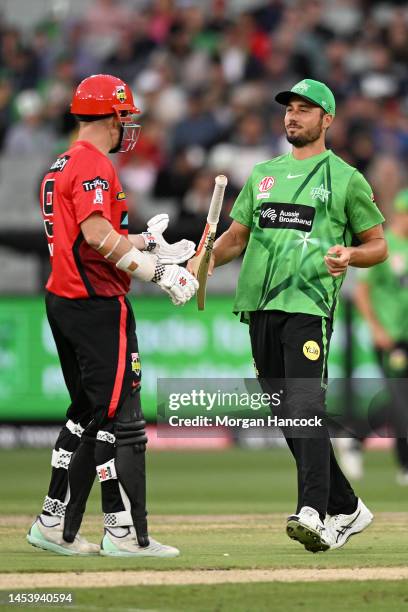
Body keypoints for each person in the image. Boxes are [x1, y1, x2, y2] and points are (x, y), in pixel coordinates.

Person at [192, 79, 387, 552]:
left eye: (305, 109)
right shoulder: (263, 174)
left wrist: (349, 256)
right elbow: (236, 238)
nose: (293, 116)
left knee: (304, 408)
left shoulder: (345, 178)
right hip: (260, 307)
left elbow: (377, 245)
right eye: (289, 109)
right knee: (289, 417)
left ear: (327, 119)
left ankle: (313, 512)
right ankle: (349, 507)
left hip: (308, 306)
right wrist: (205, 259)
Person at [27, 74, 198, 557]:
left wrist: (153, 247)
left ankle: (52, 522)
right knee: (116, 417)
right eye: (126, 117)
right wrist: (154, 273)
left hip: (65, 298)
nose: (130, 127)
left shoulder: (62, 162)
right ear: (110, 117)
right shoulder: (92, 164)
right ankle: (122, 532)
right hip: (96, 303)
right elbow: (99, 236)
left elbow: (87, 238)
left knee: (84, 412)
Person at [343, 188, 408, 485]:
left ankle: (354, 436)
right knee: (400, 400)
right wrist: (376, 328)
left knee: (399, 399)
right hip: (390, 336)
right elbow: (361, 291)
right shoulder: (385, 246)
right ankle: (405, 466)